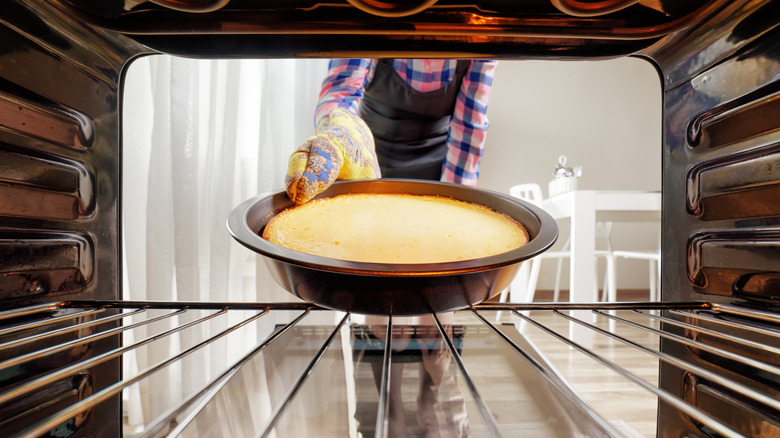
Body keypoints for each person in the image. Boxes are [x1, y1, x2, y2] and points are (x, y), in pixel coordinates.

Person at [285, 58, 498, 203]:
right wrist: (340, 134)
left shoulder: (476, 24)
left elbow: (468, 124)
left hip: (437, 166)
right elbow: (342, 92)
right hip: (369, 158)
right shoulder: (373, 9)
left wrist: (456, 202)